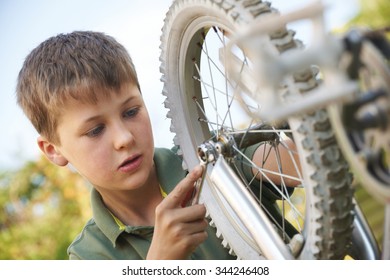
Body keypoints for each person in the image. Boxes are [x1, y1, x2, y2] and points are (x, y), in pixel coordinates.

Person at [16, 31, 300, 260]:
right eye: (95, 130)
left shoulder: (210, 157)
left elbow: (297, 162)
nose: (124, 138)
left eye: (131, 112)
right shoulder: (89, 254)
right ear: (53, 150)